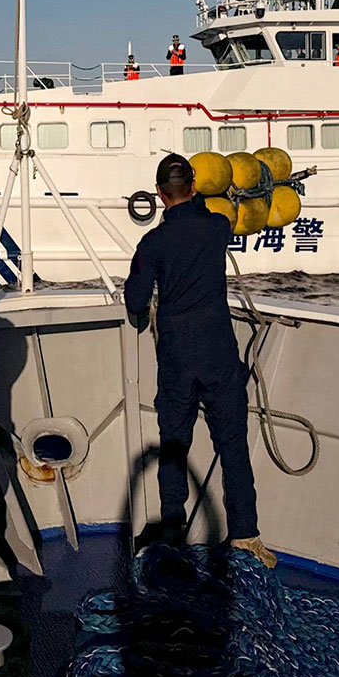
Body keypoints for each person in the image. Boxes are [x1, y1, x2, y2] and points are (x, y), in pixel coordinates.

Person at [124, 154, 274, 567]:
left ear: (159, 194)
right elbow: (218, 214)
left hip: (176, 358)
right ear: (193, 187)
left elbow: (135, 300)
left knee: (174, 446)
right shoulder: (216, 227)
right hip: (219, 355)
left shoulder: (153, 243)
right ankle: (245, 535)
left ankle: (173, 533)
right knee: (233, 445)